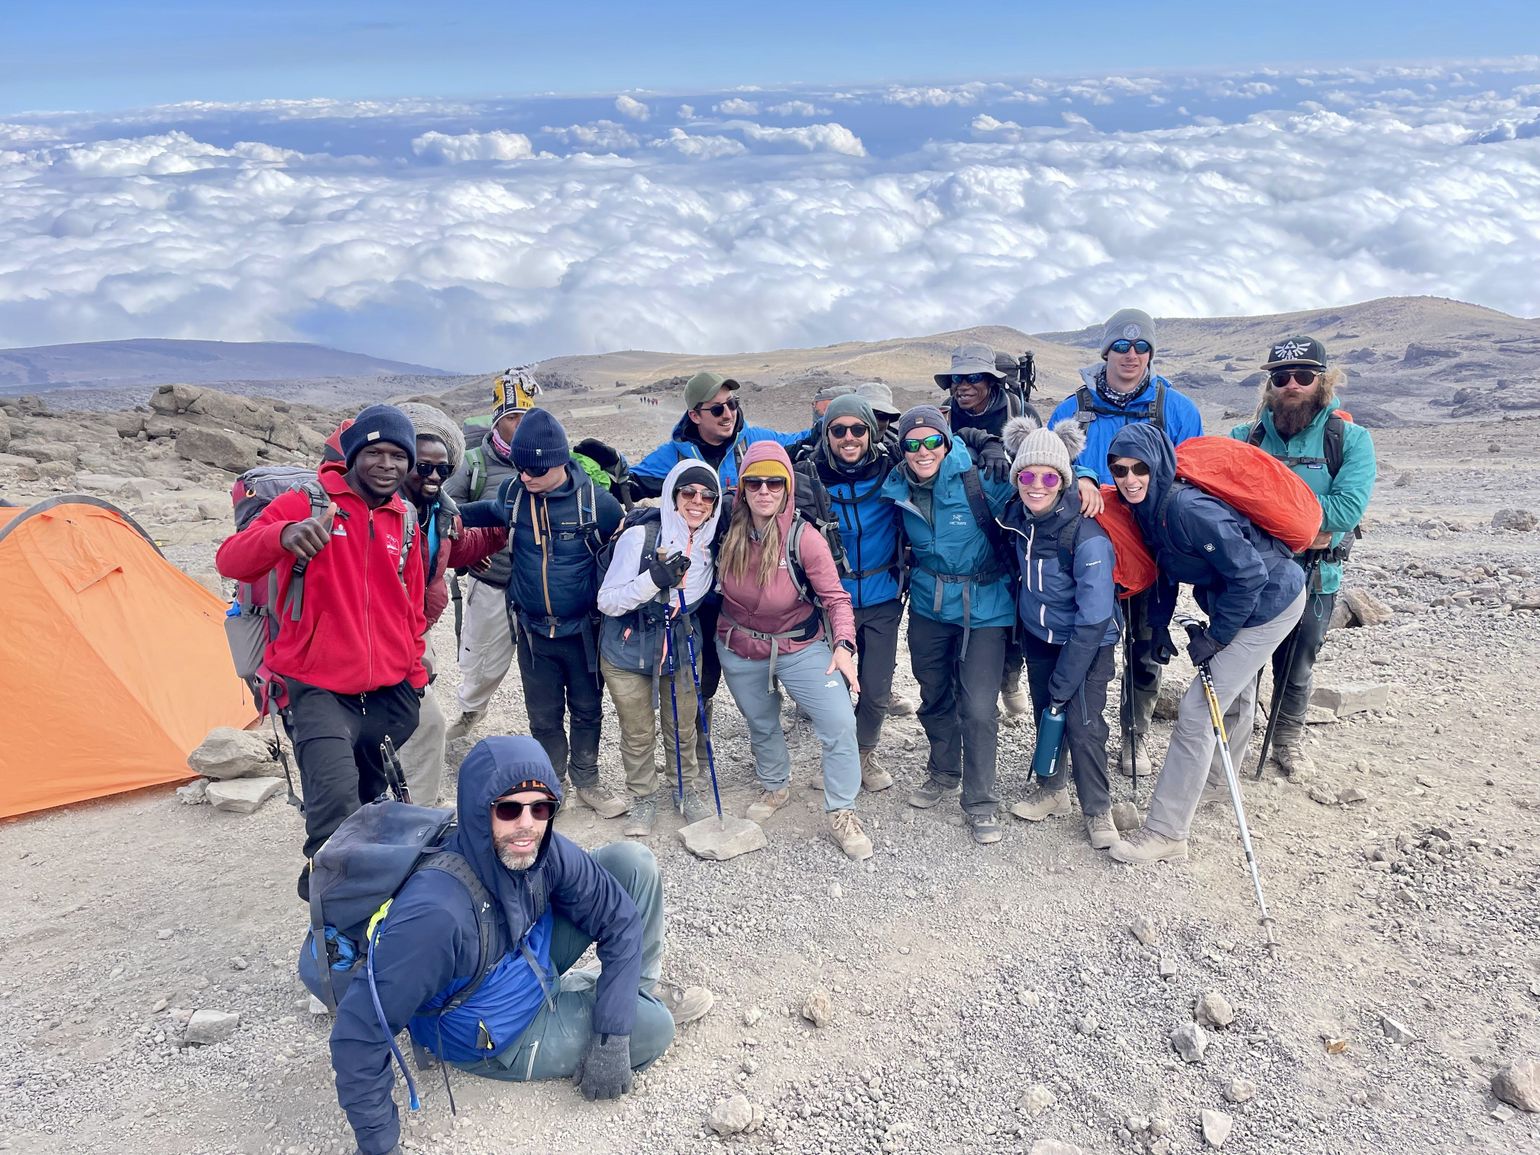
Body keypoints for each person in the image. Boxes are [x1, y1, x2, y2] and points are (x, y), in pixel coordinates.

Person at [329, 736, 711, 1155]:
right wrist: (380, 1147)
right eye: (509, 808)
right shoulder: (436, 917)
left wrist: (613, 1032)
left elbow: (617, 914)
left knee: (631, 864)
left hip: (524, 952)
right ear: (479, 812)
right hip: (492, 1030)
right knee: (656, 1027)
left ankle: (623, 997)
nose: (526, 823)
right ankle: (614, 1001)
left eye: (541, 807)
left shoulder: (540, 849)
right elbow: (359, 1033)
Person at [214, 404, 426, 896]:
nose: (388, 465)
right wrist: (282, 536)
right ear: (353, 455)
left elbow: (410, 604)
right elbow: (231, 560)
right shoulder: (306, 501)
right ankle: (333, 930)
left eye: (399, 455)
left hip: (391, 691)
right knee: (333, 819)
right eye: (375, 452)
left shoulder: (406, 517)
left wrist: (414, 674)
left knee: (370, 805)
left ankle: (370, 900)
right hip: (317, 689)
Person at [1103, 424, 1306, 864]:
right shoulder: (1147, 506)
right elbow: (1164, 568)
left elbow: (1252, 575)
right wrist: (1158, 628)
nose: (1129, 478)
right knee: (1235, 694)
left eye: (1140, 467)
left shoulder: (1189, 508)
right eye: (1119, 469)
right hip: (1241, 600)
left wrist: (1216, 637)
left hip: (1272, 602)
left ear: (1158, 465)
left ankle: (1166, 832)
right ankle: (1215, 783)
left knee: (1198, 707)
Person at [1049, 308, 1205, 779]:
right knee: (1085, 643)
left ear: (1152, 353)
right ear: (1105, 352)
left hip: (1152, 549)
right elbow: (1047, 470)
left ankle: (1135, 734)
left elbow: (1193, 475)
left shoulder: (1176, 409)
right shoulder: (1070, 410)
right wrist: (1082, 477)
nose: (1131, 355)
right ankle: (1079, 734)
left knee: (1145, 645)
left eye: (1141, 347)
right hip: (1083, 549)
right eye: (1121, 346)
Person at [628, 371, 815, 763]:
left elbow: (802, 443)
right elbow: (629, 482)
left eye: (733, 404)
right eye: (718, 408)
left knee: (772, 647)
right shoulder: (674, 455)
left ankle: (786, 718)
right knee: (705, 664)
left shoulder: (756, 439)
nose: (728, 413)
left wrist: (837, 423)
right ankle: (699, 737)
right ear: (695, 415)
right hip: (703, 581)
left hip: (760, 572)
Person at [459, 410, 627, 818]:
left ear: (559, 462)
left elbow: (625, 552)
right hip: (533, 632)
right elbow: (485, 512)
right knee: (542, 715)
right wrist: (442, 512)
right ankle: (554, 782)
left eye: (534, 470)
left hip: (584, 633)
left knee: (587, 710)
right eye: (519, 468)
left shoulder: (597, 505)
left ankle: (587, 780)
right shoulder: (515, 494)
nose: (525, 477)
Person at [714, 442, 874, 861]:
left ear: (787, 488)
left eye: (774, 482)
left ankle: (842, 810)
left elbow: (837, 599)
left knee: (839, 721)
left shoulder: (805, 539)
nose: (764, 491)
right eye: (754, 482)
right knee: (761, 721)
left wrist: (843, 647)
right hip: (740, 645)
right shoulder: (726, 531)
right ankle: (774, 784)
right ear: (742, 488)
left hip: (799, 646)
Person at [1230, 336, 1376, 778]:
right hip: (1250, 576)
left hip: (1316, 576)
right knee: (1242, 661)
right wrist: (1308, 524)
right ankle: (1233, 740)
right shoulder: (1244, 438)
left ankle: (1287, 740)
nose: (1292, 384)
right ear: (1269, 385)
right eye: (1281, 377)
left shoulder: (1349, 440)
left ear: (1324, 381)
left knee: (1298, 661)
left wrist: (1267, 515)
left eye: (1304, 375)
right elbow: (1223, 506)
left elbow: (1347, 510)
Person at [880, 406, 1016, 845]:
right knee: (933, 692)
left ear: (946, 442)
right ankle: (944, 770)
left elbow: (1042, 482)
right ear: (902, 448)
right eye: (913, 443)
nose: (923, 451)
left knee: (978, 707)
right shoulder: (896, 484)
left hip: (987, 607)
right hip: (928, 604)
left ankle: (979, 801)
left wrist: (1086, 479)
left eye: (932, 441)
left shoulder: (981, 479)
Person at [997, 416, 1120, 850]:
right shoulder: (1019, 518)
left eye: (1049, 476)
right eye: (1027, 475)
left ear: (1064, 479)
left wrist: (1066, 682)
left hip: (1088, 641)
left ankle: (1098, 809)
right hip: (1039, 634)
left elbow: (1095, 616)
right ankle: (1052, 791)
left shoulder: (1086, 536)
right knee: (1043, 710)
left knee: (1083, 724)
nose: (1036, 485)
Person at [793, 393, 915, 794]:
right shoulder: (807, 475)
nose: (849, 437)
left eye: (858, 429)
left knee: (877, 688)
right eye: (838, 429)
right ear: (826, 434)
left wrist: (988, 444)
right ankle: (841, 757)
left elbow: (946, 443)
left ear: (871, 431)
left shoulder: (893, 467)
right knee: (835, 689)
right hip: (831, 602)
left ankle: (863, 754)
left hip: (882, 596)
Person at [597, 460, 724, 834]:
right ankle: (644, 798)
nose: (697, 501)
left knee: (684, 727)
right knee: (637, 731)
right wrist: (654, 579)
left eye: (707, 496)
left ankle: (685, 789)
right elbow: (608, 601)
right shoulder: (641, 538)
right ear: (673, 495)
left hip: (682, 645)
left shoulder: (710, 544)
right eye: (688, 493)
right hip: (628, 648)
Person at [394, 403, 508, 804]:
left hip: (413, 635)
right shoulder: (381, 514)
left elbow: (458, 547)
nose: (434, 477)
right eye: (423, 467)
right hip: (383, 642)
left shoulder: (437, 514)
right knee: (424, 726)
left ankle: (411, 810)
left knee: (414, 725)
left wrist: (503, 527)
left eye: (443, 470)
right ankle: (417, 815)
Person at [442, 373, 536, 740]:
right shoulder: (474, 462)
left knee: (541, 665)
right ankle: (470, 711)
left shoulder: (547, 458)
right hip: (492, 580)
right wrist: (468, 553)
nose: (521, 425)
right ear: (498, 420)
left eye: (528, 417)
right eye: (514, 417)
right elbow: (449, 511)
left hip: (537, 586)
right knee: (481, 658)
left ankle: (545, 732)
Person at [855, 380, 903, 446]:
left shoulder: (897, 448)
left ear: (889, 421)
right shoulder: (840, 444)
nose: (875, 423)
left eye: (882, 417)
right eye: (868, 415)